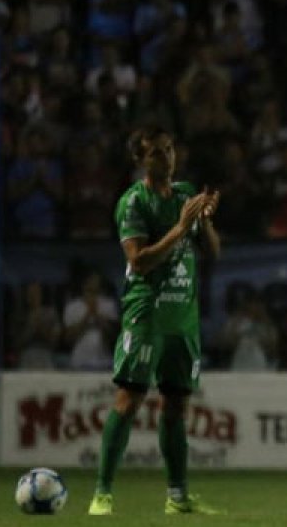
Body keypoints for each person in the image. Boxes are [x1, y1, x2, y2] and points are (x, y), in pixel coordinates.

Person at [87, 126, 221, 516]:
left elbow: (212, 252)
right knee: (129, 400)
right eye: (156, 153)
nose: (167, 157)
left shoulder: (186, 195)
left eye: (169, 148)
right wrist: (181, 227)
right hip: (146, 314)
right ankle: (102, 493)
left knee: (177, 406)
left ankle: (177, 497)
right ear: (140, 161)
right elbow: (138, 261)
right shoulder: (133, 202)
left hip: (183, 317)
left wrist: (206, 221)